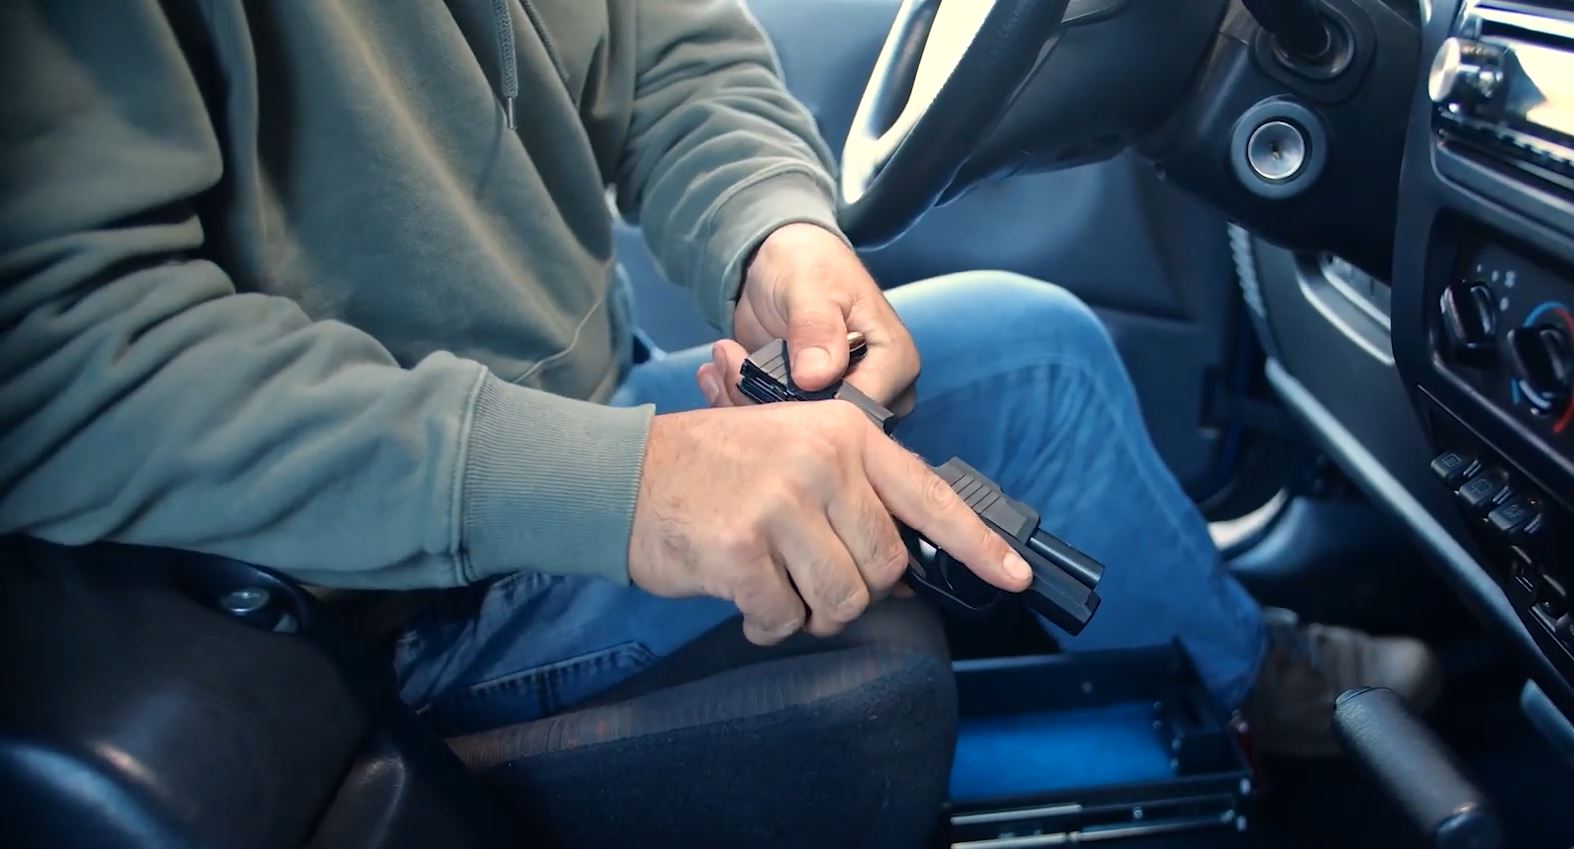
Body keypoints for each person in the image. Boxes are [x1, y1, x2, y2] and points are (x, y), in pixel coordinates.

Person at [0, 0, 1435, 756]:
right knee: (1041, 385)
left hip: (572, 413)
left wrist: (778, 236)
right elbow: (56, 359)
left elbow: (679, 60)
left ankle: (1243, 678)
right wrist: (633, 487)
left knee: (1040, 347)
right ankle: (1265, 701)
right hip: (370, 595)